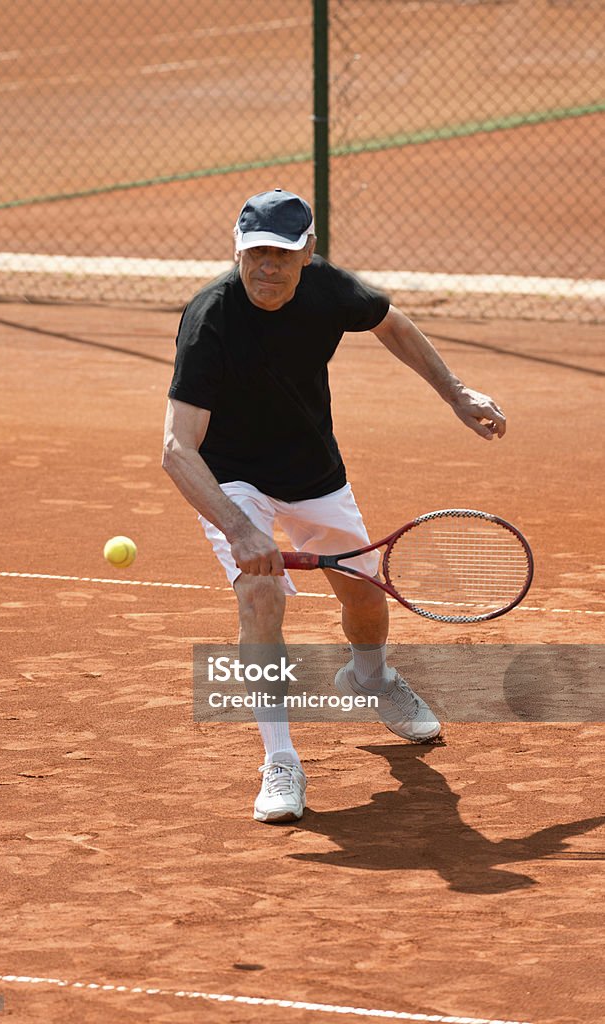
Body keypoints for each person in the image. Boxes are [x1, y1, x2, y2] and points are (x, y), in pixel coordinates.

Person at [162, 188, 506, 825]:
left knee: (365, 598)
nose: (267, 268)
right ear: (237, 251)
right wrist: (239, 529)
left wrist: (456, 394)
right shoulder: (210, 318)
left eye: (282, 256)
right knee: (259, 596)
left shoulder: (327, 288)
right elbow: (177, 449)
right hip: (233, 479)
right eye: (255, 254)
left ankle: (369, 677)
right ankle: (281, 759)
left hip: (314, 473)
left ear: (308, 253)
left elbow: (393, 326)